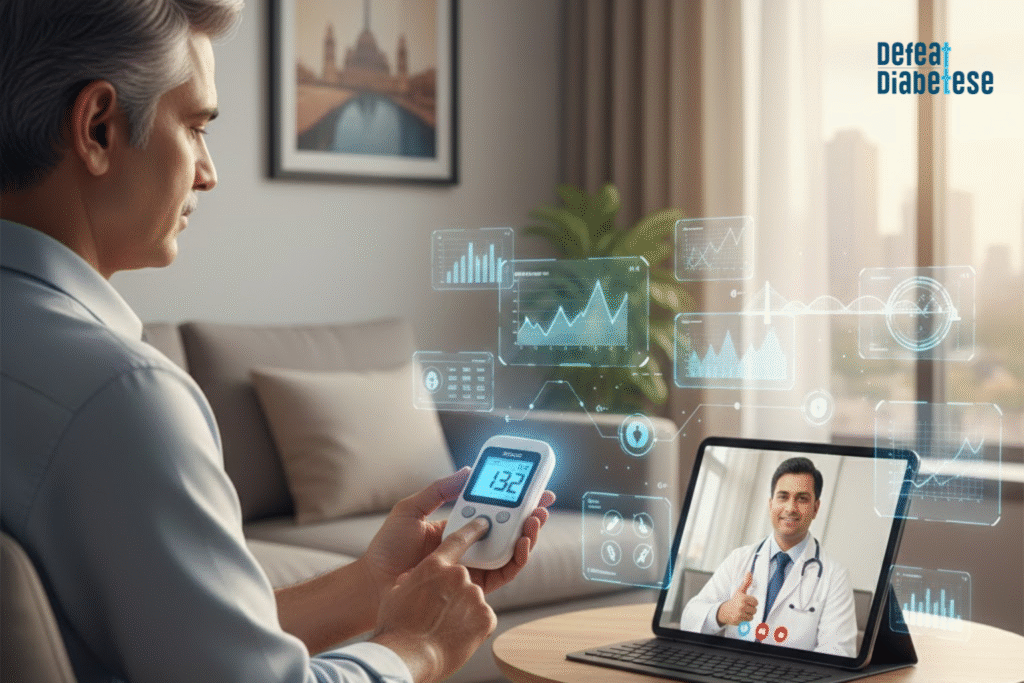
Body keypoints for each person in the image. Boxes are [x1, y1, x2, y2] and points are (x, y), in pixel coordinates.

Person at [0, 2, 553, 682]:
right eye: (196, 126)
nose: (208, 172)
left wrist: (374, 583)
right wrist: (420, 645)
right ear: (99, 127)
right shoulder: (121, 397)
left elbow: (187, 645)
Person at [679, 457, 858, 657]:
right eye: (783, 496)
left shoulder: (835, 576)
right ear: (771, 503)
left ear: (815, 508)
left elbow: (839, 653)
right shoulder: (740, 558)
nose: (790, 508)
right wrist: (722, 612)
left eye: (802, 498)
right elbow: (689, 618)